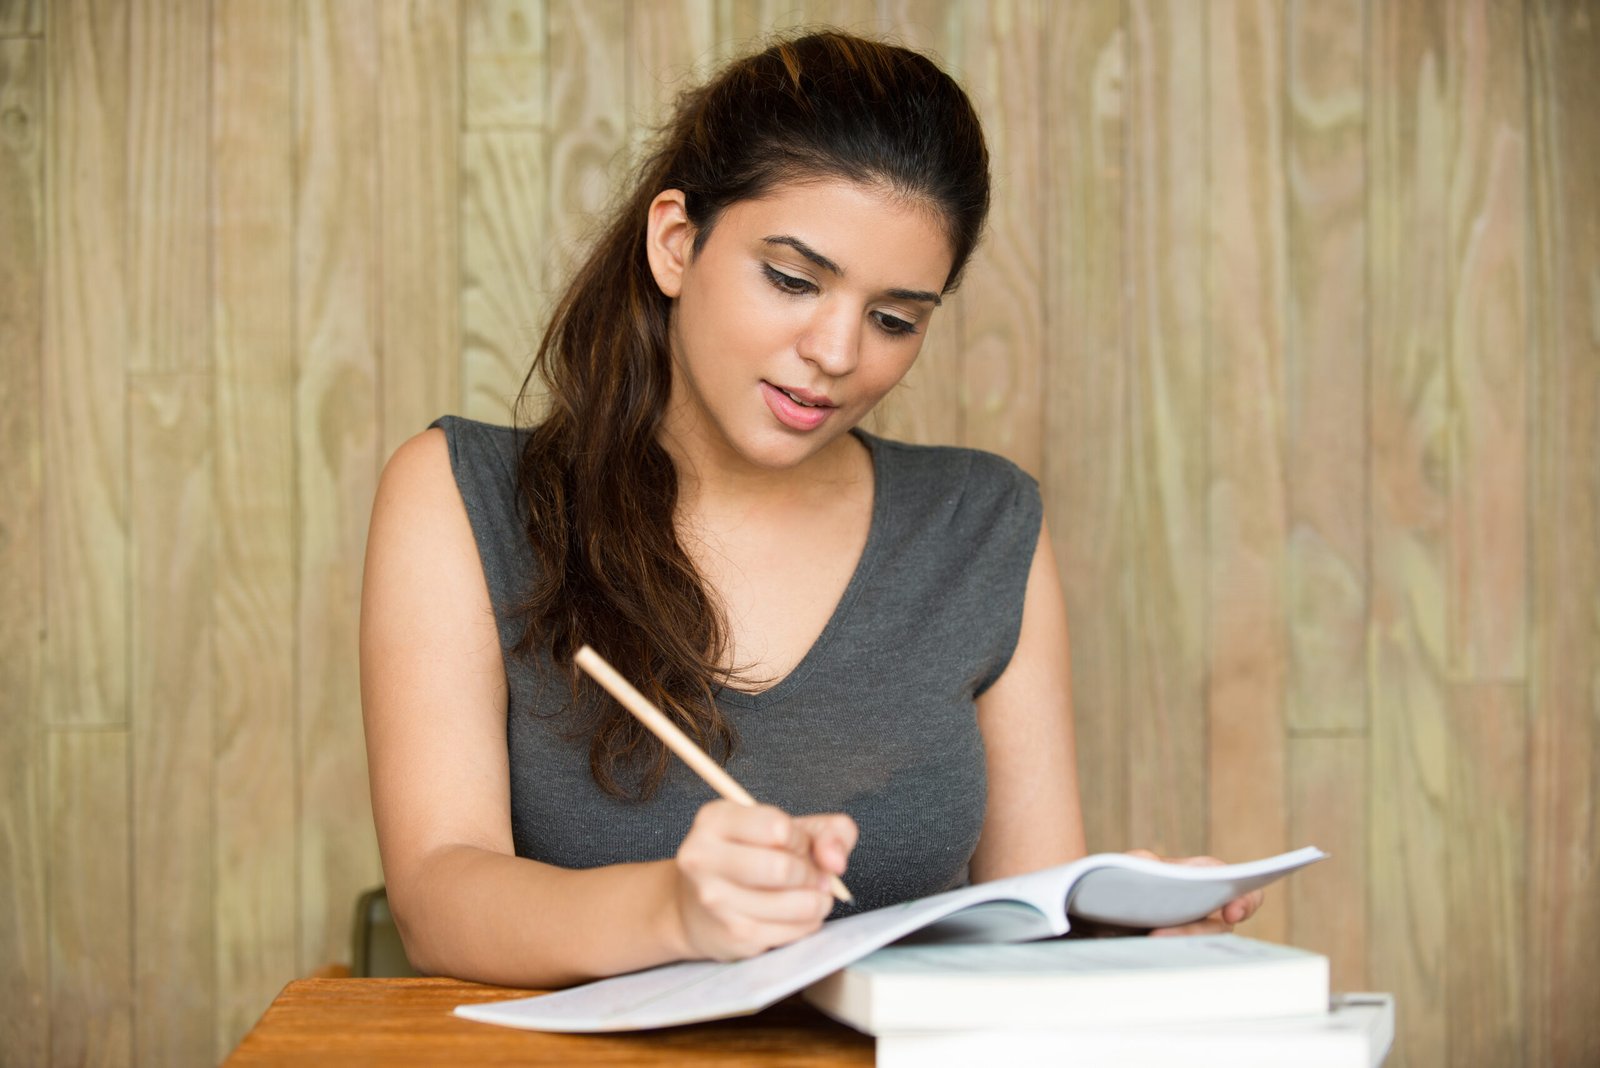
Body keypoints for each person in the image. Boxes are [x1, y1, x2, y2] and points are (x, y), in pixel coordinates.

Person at [359, 30, 1261, 990]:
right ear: (676, 244)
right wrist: (676, 911)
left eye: (894, 319)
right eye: (792, 279)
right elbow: (436, 898)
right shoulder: (461, 497)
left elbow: (1028, 915)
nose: (836, 352)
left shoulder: (982, 525)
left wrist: (1119, 930)